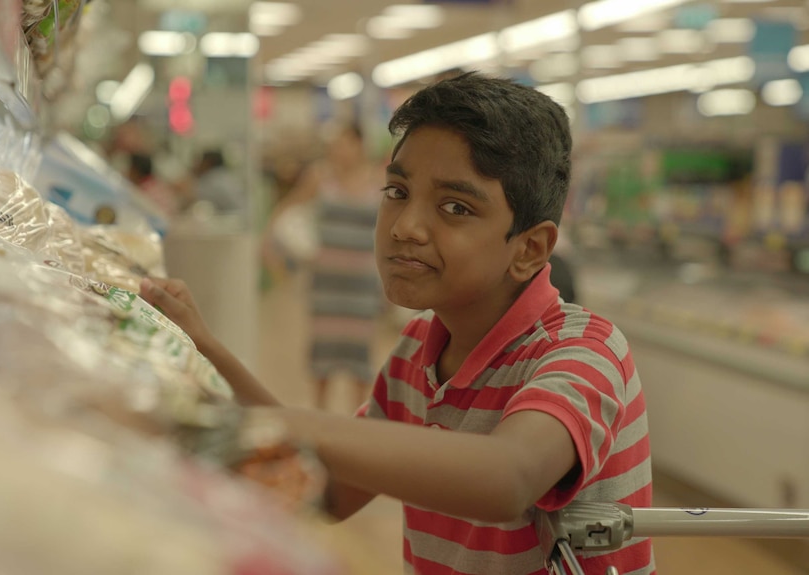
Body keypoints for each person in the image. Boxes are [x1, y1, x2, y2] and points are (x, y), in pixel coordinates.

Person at [140, 72, 654, 575]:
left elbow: (507, 475)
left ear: (530, 248)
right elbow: (325, 487)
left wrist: (239, 423)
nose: (405, 227)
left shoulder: (585, 351)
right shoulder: (417, 352)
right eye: (397, 192)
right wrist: (204, 347)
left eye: (455, 207)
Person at [263, 122, 385, 411]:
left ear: (359, 145)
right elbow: (286, 207)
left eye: (345, 143)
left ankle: (359, 418)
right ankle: (321, 417)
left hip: (362, 285)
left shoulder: (378, 181)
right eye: (335, 144)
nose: (339, 150)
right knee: (323, 356)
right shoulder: (320, 177)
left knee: (359, 357)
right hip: (326, 284)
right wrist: (269, 245)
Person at [191, 149, 246, 214]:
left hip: (235, 217)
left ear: (208, 162)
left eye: (200, 161)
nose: (197, 165)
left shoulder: (213, 178)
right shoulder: (225, 175)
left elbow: (193, 195)